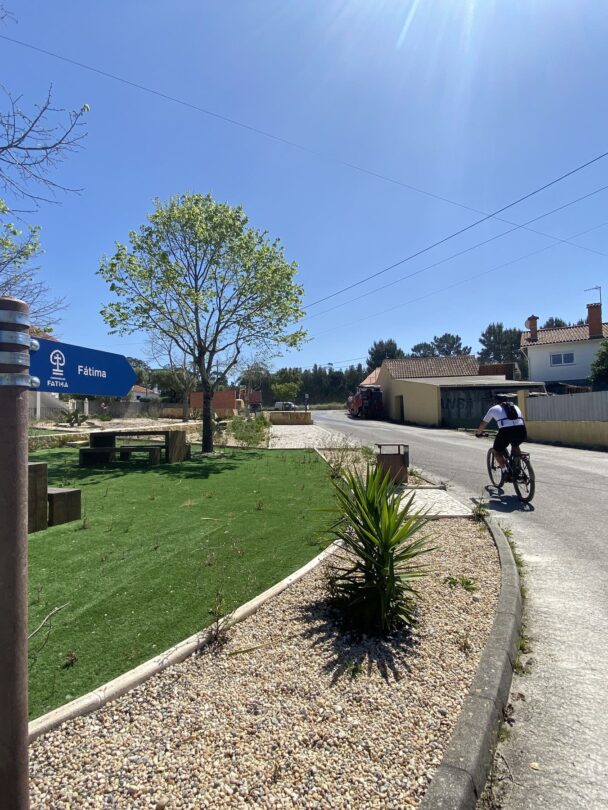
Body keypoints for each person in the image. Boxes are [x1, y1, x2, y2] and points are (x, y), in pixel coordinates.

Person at [476, 394, 527, 478]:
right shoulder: (515, 407)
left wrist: (478, 433)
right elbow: (522, 420)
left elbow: (483, 423)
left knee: (497, 451)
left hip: (506, 431)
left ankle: (505, 471)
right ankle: (517, 468)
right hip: (521, 430)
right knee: (515, 444)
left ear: (496, 402)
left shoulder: (493, 409)